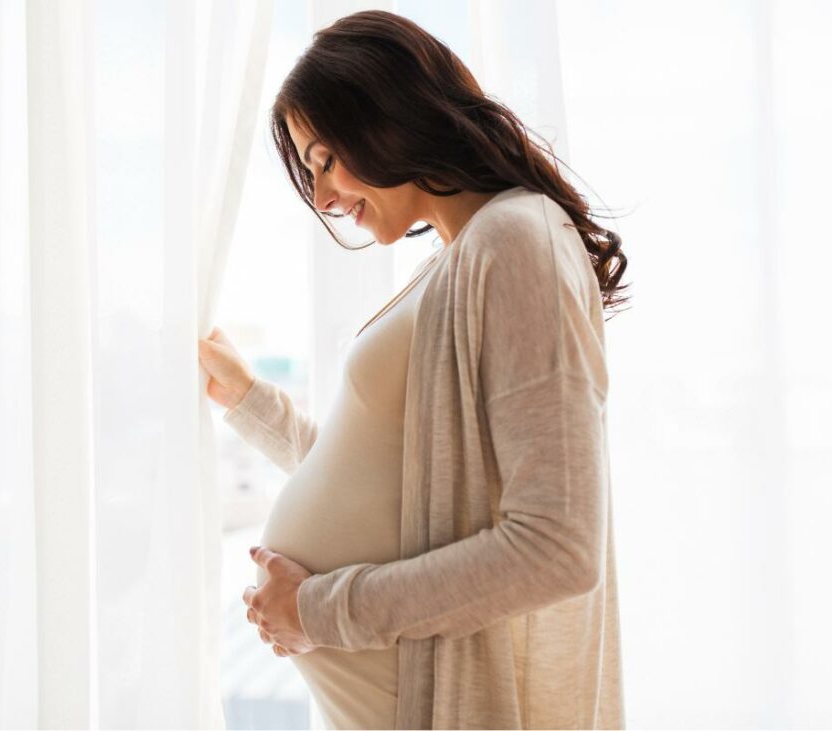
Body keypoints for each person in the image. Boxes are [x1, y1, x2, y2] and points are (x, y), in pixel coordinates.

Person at [198, 9, 629, 730]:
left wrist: (316, 611)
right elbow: (402, 489)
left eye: (324, 159)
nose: (325, 199)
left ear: (386, 112)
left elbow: (558, 547)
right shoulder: (461, 259)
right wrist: (248, 401)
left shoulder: (516, 241)